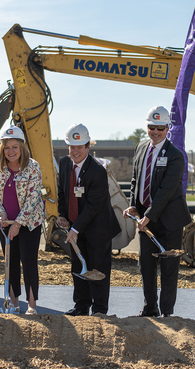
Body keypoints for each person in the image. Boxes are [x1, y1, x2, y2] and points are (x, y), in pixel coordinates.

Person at [123, 106, 191, 318]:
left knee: (169, 269)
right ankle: (150, 307)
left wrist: (148, 216)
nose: (155, 132)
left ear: (167, 128)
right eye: (152, 127)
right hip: (146, 219)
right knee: (147, 266)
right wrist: (134, 204)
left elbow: (166, 192)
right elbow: (136, 180)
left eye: (160, 128)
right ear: (147, 126)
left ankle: (167, 313)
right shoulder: (141, 148)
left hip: (169, 221)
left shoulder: (175, 156)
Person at [58, 124, 121, 316]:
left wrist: (75, 229)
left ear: (88, 147)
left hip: (98, 229)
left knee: (98, 270)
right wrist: (62, 215)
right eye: (71, 147)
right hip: (77, 227)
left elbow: (93, 206)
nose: (75, 151)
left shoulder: (97, 171)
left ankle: (100, 310)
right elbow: (63, 192)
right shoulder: (64, 163)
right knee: (78, 267)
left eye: (79, 147)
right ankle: (81, 307)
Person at [0, 125, 45, 315]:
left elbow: (33, 198)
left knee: (28, 262)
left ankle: (32, 306)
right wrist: (0, 214)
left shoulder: (33, 167)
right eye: (6, 147)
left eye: (14, 147)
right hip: (5, 223)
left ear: (22, 147)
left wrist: (18, 224)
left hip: (29, 224)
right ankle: (13, 304)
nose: (10, 151)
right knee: (9, 263)